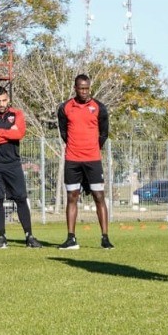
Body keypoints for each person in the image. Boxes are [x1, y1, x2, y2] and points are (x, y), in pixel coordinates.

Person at [0, 86, 40, 249]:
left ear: (8, 99)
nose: (1, 104)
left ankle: (29, 236)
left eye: (4, 100)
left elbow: (19, 134)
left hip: (13, 163)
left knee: (21, 198)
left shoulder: (17, 114)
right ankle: (2, 237)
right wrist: (8, 132)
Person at [56, 75, 112, 250]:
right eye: (81, 88)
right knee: (72, 197)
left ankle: (105, 238)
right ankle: (71, 238)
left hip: (93, 160)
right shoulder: (65, 107)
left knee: (99, 196)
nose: (85, 92)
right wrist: (75, 146)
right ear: (75, 88)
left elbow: (104, 133)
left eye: (87, 88)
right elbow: (64, 132)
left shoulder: (99, 108)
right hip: (72, 159)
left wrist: (92, 148)